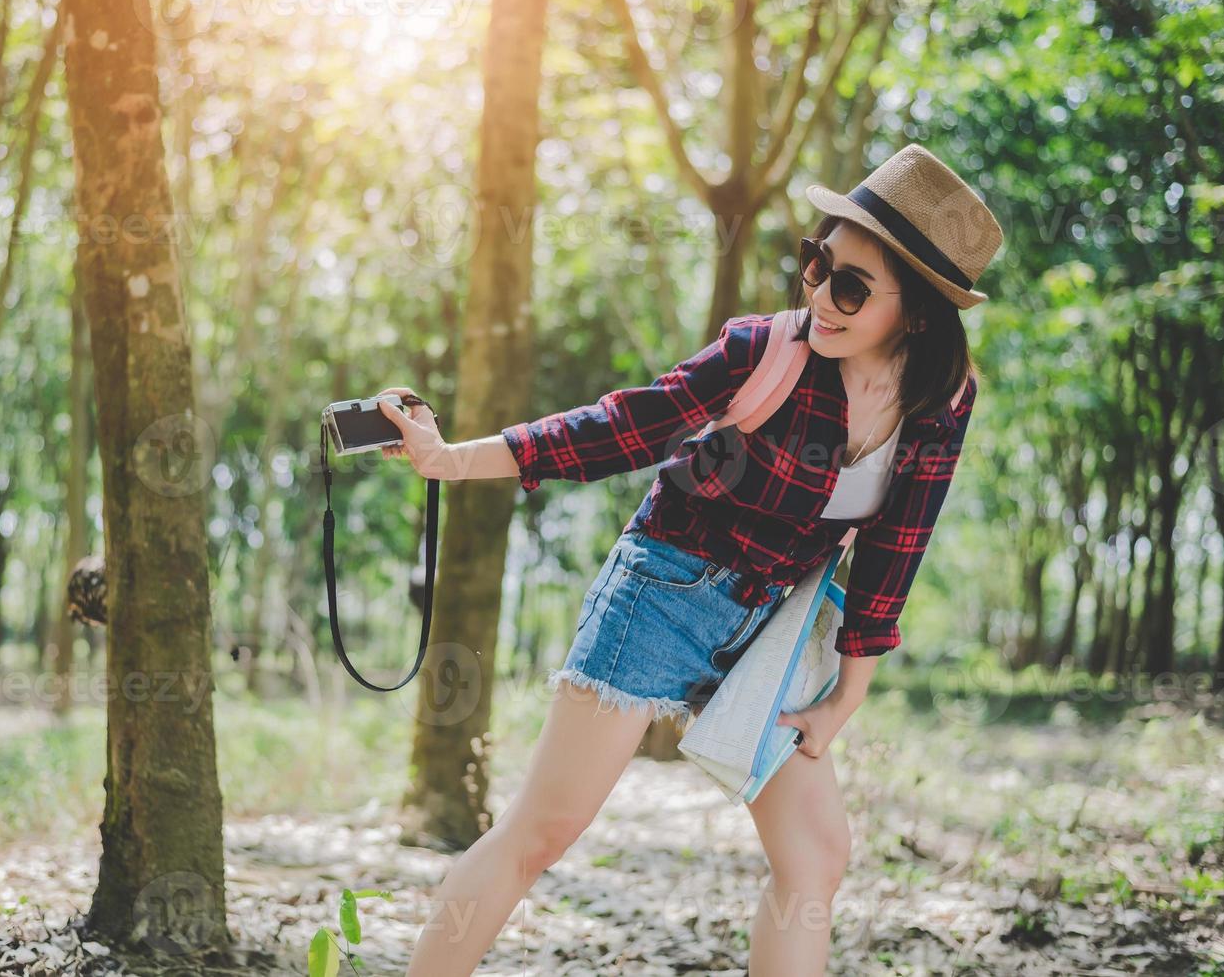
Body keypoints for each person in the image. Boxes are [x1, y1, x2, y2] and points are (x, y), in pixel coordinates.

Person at [378, 143, 1003, 976]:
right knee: (544, 828)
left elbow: (899, 545)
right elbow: (617, 427)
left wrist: (847, 696)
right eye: (819, 264)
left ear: (919, 314)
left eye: (852, 285)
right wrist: (449, 458)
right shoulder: (765, 352)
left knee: (816, 854)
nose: (821, 294)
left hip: (771, 627)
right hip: (664, 589)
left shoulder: (939, 402)